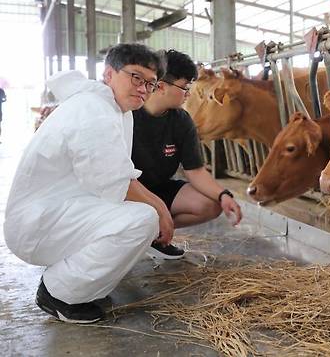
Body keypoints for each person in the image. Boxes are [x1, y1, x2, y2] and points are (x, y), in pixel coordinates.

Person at [4, 44, 172, 324]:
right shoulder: (94, 110)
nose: (144, 88)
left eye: (151, 84)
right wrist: (162, 211)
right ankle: (58, 293)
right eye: (136, 78)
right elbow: (116, 182)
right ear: (109, 74)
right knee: (143, 219)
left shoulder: (114, 109)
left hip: (57, 212)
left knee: (142, 214)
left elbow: (116, 175)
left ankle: (79, 287)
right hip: (38, 224)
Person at [132, 49, 242, 260]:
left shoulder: (181, 120)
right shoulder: (128, 115)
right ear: (162, 86)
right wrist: (161, 211)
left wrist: (223, 195)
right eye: (185, 88)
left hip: (158, 188)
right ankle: (132, 236)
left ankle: (153, 237)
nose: (189, 94)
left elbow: (196, 171)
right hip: (125, 193)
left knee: (209, 203)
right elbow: (119, 176)